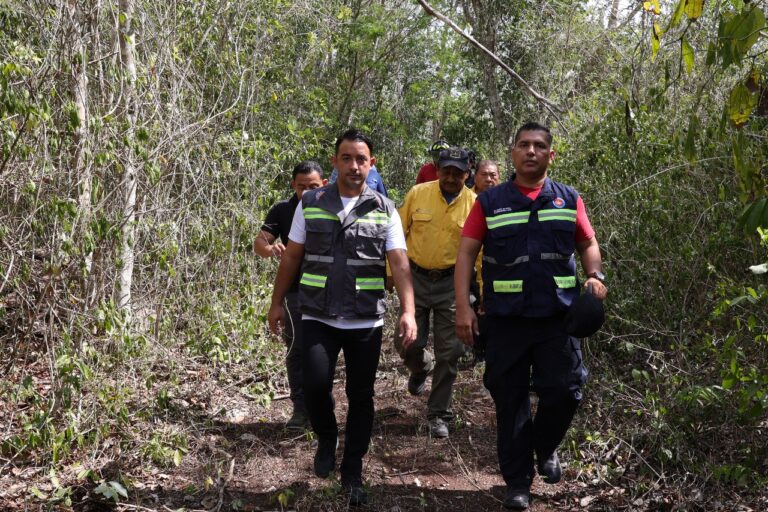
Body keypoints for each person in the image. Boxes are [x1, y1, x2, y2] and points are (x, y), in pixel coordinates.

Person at [454, 122, 608, 510]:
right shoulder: (489, 202)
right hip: (506, 320)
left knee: (567, 389)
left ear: (551, 155)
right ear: (513, 153)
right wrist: (463, 307)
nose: (531, 151)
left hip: (559, 317)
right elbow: (466, 254)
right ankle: (518, 483)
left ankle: (544, 444)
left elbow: (587, 242)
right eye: (523, 145)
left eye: (539, 146)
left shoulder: (568, 199)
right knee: (510, 401)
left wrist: (595, 276)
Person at [267, 129, 417, 506]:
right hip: (316, 314)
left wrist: (409, 311)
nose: (354, 165)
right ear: (335, 162)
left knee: (361, 397)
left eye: (361, 159)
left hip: (364, 320)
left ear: (371, 164)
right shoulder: (312, 202)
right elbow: (292, 256)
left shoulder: (385, 208)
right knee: (316, 387)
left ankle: (353, 470)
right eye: (347, 158)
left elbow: (399, 264)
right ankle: (327, 437)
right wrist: (276, 303)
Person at [395, 146, 477, 438]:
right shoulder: (418, 193)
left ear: (467, 174)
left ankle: (438, 414)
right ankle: (420, 368)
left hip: (451, 283)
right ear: (438, 170)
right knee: (406, 342)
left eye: (458, 173)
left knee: (450, 351)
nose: (452, 177)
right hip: (415, 278)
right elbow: (397, 233)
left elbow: (478, 252)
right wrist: (391, 274)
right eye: (447, 171)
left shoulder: (475, 204)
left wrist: (479, 293)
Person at [254, 161, 327, 430]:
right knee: (296, 348)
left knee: (324, 349)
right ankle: (300, 408)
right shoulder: (283, 210)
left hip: (327, 291)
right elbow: (259, 242)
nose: (307, 192)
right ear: (293, 186)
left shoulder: (334, 206)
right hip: (295, 290)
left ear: (324, 185)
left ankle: (322, 404)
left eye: (313, 186)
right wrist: (270, 248)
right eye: (301, 187)